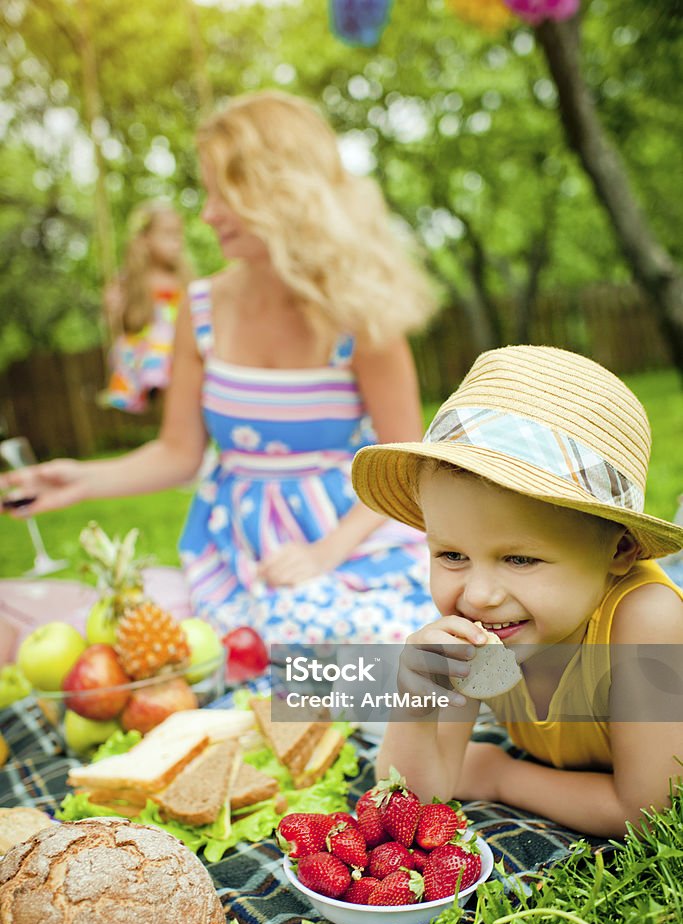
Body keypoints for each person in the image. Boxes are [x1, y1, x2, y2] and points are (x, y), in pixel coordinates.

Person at [0, 90, 438, 645]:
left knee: (404, 649)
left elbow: (408, 466)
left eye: (222, 194)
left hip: (347, 538)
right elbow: (178, 454)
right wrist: (78, 480)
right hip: (238, 544)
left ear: (281, 192)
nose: (206, 215)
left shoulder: (361, 316)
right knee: (232, 650)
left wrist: (322, 555)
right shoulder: (200, 309)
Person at [352, 345, 683, 839]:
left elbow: (647, 812)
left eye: (521, 559)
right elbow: (413, 798)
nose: (479, 594)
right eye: (451, 555)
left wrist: (499, 775)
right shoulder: (480, 623)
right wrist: (415, 706)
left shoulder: (646, 622)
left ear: (621, 549)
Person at [99, 200, 192, 413]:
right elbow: (123, 323)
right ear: (144, 239)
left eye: (178, 235)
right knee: (160, 355)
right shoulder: (131, 281)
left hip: (183, 343)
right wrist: (113, 309)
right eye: (168, 235)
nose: (176, 242)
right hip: (152, 352)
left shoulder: (183, 279)